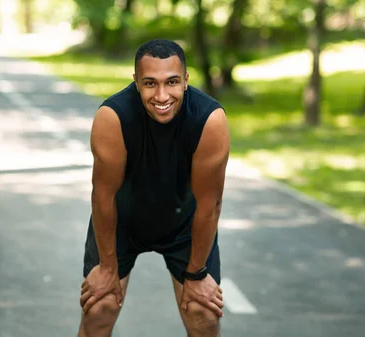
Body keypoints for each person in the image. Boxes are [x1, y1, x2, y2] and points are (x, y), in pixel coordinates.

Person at [78, 38, 230, 337]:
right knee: (99, 308)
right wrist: (107, 268)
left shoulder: (209, 120)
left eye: (172, 82)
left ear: (186, 80)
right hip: (122, 221)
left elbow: (208, 204)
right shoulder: (113, 117)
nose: (162, 95)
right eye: (150, 83)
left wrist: (197, 273)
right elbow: (103, 197)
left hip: (185, 222)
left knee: (203, 314)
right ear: (136, 82)